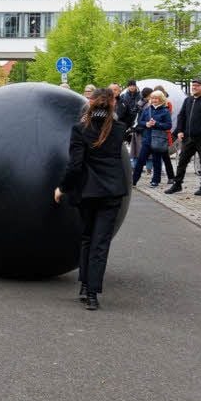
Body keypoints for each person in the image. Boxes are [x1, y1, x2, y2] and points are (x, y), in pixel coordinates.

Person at [54, 87, 129, 311]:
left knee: (87, 237)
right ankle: (92, 292)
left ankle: (85, 286)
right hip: (112, 192)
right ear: (112, 104)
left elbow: (75, 166)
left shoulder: (80, 130)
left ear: (91, 102)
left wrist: (62, 187)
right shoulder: (118, 129)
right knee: (100, 243)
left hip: (88, 192)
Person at [165, 78, 201, 196]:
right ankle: (177, 184)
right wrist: (179, 130)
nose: (194, 87)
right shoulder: (188, 100)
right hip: (188, 138)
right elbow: (181, 116)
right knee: (182, 161)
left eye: (197, 85)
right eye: (193, 85)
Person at [131, 90, 172, 188]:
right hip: (147, 138)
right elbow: (140, 121)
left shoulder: (165, 111)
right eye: (152, 98)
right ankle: (134, 180)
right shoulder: (147, 109)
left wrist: (156, 124)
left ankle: (155, 180)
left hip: (157, 139)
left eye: (156, 98)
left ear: (161, 99)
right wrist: (146, 124)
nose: (154, 100)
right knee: (140, 160)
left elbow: (168, 125)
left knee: (156, 161)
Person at [150, 85, 177, 182]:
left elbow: (167, 122)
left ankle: (170, 177)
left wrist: (156, 123)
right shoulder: (151, 107)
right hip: (154, 134)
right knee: (158, 156)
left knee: (165, 156)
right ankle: (158, 177)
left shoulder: (167, 105)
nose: (154, 99)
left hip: (163, 134)